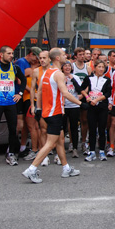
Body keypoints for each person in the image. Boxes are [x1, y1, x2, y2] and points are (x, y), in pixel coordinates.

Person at [22, 48, 82, 183]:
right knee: (50, 144)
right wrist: (81, 103)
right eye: (63, 55)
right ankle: (31, 169)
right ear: (57, 58)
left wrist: (38, 109)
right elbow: (66, 93)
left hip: (47, 112)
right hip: (54, 113)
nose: (65, 56)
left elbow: (40, 92)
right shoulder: (58, 74)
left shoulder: (46, 73)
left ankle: (66, 168)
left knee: (60, 140)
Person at [14, 47, 41, 158]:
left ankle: (35, 149)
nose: (36, 61)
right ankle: (22, 147)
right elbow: (20, 80)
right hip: (23, 97)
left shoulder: (34, 70)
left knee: (32, 125)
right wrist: (31, 91)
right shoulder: (22, 62)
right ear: (31, 54)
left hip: (29, 99)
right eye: (36, 58)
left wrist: (33, 92)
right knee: (25, 125)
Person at [85, 60, 111, 161]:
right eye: (99, 67)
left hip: (102, 107)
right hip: (91, 107)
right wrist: (87, 97)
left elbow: (108, 93)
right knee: (91, 129)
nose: (101, 69)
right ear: (95, 68)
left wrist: (97, 99)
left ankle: (101, 151)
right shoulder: (89, 78)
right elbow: (82, 89)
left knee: (101, 129)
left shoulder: (107, 80)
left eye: (103, 67)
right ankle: (91, 151)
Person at [62, 61, 87, 158]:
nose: (67, 68)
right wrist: (64, 80)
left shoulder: (75, 77)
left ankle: (75, 148)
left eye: (69, 66)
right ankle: (61, 148)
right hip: (63, 105)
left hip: (74, 105)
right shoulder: (60, 76)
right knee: (63, 128)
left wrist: (72, 80)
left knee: (74, 128)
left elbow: (79, 89)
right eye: (65, 66)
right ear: (62, 68)